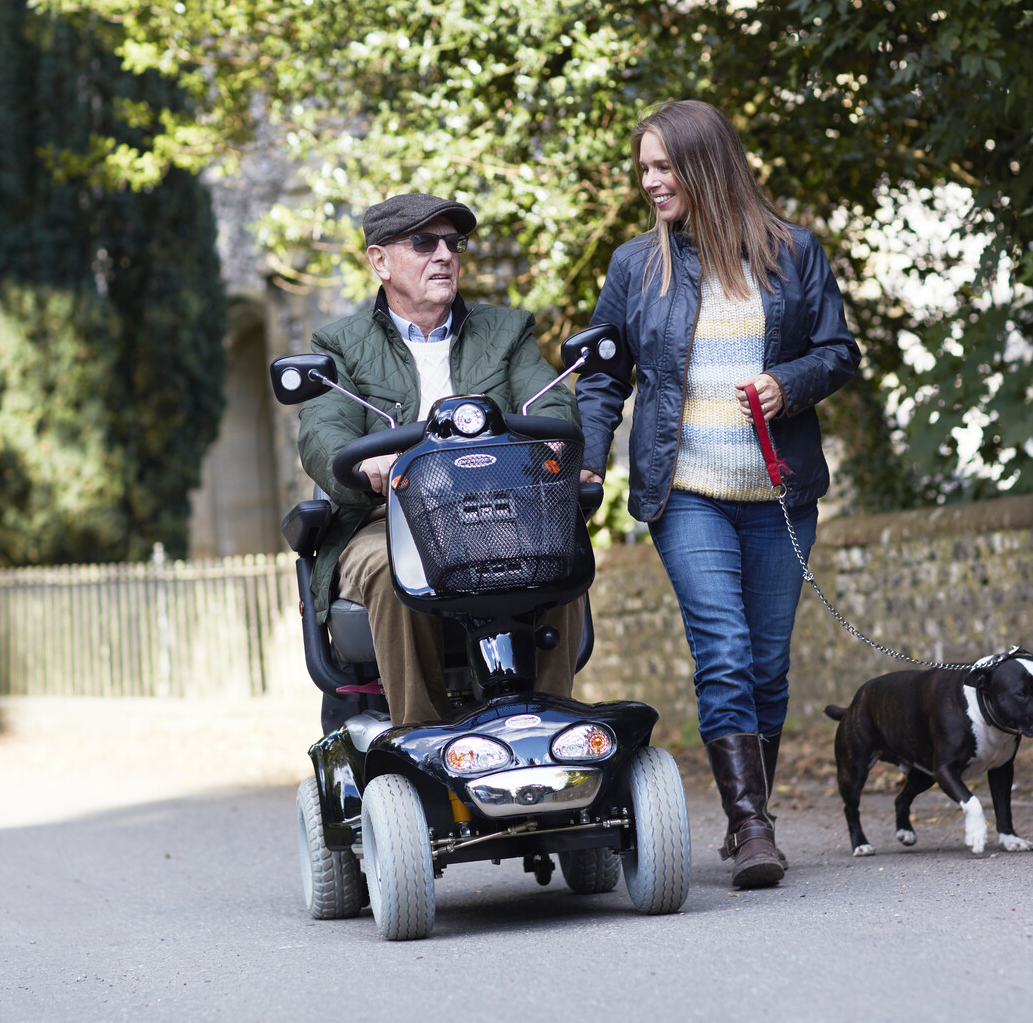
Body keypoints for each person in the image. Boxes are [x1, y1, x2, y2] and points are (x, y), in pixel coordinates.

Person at [577, 101, 859, 890]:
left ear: (705, 165)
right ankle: (751, 823)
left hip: (778, 494)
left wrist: (788, 384)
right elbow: (603, 375)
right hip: (686, 488)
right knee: (725, 652)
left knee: (769, 665)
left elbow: (840, 352)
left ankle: (750, 813)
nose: (650, 182)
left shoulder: (795, 253)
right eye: (644, 169)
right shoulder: (638, 266)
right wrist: (589, 467)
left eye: (663, 167)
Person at [298, 192, 586, 727]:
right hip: (387, 519)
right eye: (423, 242)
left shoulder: (507, 330)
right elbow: (323, 432)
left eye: (453, 243)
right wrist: (364, 467)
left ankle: (548, 724)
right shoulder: (337, 344)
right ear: (379, 261)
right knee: (391, 569)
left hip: (497, 509)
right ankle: (420, 734)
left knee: (559, 545)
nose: (444, 255)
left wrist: (554, 442)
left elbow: (547, 398)